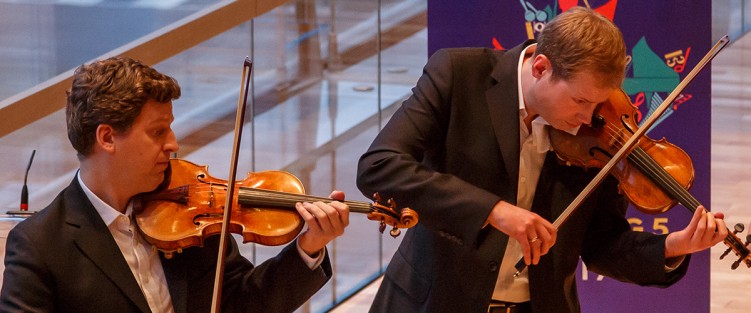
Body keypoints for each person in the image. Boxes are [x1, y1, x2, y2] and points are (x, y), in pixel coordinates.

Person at [356, 6, 726, 313]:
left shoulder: (597, 137)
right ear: (540, 68)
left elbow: (602, 245)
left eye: (598, 103)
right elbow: (379, 167)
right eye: (580, 101)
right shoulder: (458, 75)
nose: (589, 119)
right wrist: (493, 210)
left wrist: (672, 247)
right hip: (435, 303)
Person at [0, 56, 350, 313]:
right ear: (107, 137)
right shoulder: (41, 246)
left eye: (170, 128)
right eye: (157, 132)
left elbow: (243, 302)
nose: (173, 144)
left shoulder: (190, 210)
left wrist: (309, 247)